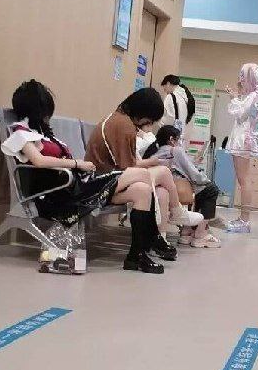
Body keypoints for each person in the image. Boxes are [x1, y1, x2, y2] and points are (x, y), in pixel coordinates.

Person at [1, 80, 166, 275]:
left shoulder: (43, 134)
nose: (48, 116)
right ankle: (154, 237)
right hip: (60, 194)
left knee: (142, 190)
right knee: (142, 174)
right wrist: (77, 164)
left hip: (77, 186)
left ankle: (136, 256)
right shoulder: (21, 133)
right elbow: (39, 161)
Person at [84, 88, 204, 258]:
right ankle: (176, 213)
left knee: (162, 192)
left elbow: (126, 164)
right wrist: (153, 164)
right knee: (163, 172)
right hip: (104, 183)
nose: (149, 125)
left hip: (106, 180)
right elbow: (128, 167)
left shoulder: (118, 119)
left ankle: (159, 239)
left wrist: (151, 164)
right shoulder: (124, 126)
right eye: (150, 120)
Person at [145, 125, 222, 248]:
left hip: (161, 186)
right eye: (179, 139)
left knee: (201, 190)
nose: (180, 142)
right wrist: (206, 181)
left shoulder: (155, 152)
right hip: (176, 188)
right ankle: (201, 234)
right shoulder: (175, 150)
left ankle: (187, 232)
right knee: (210, 189)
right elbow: (193, 174)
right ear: (172, 139)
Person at [224, 62, 258, 234]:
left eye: (243, 78)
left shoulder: (254, 96)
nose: (241, 82)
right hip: (243, 139)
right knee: (243, 180)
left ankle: (245, 220)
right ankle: (243, 218)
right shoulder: (256, 95)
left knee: (244, 180)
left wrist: (234, 98)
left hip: (243, 139)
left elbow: (240, 113)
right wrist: (237, 97)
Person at [160, 74, 195, 142]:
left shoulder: (170, 97)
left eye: (164, 88)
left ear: (168, 84)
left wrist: (159, 121)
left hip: (171, 137)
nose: (165, 91)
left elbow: (168, 119)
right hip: (180, 136)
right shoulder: (184, 97)